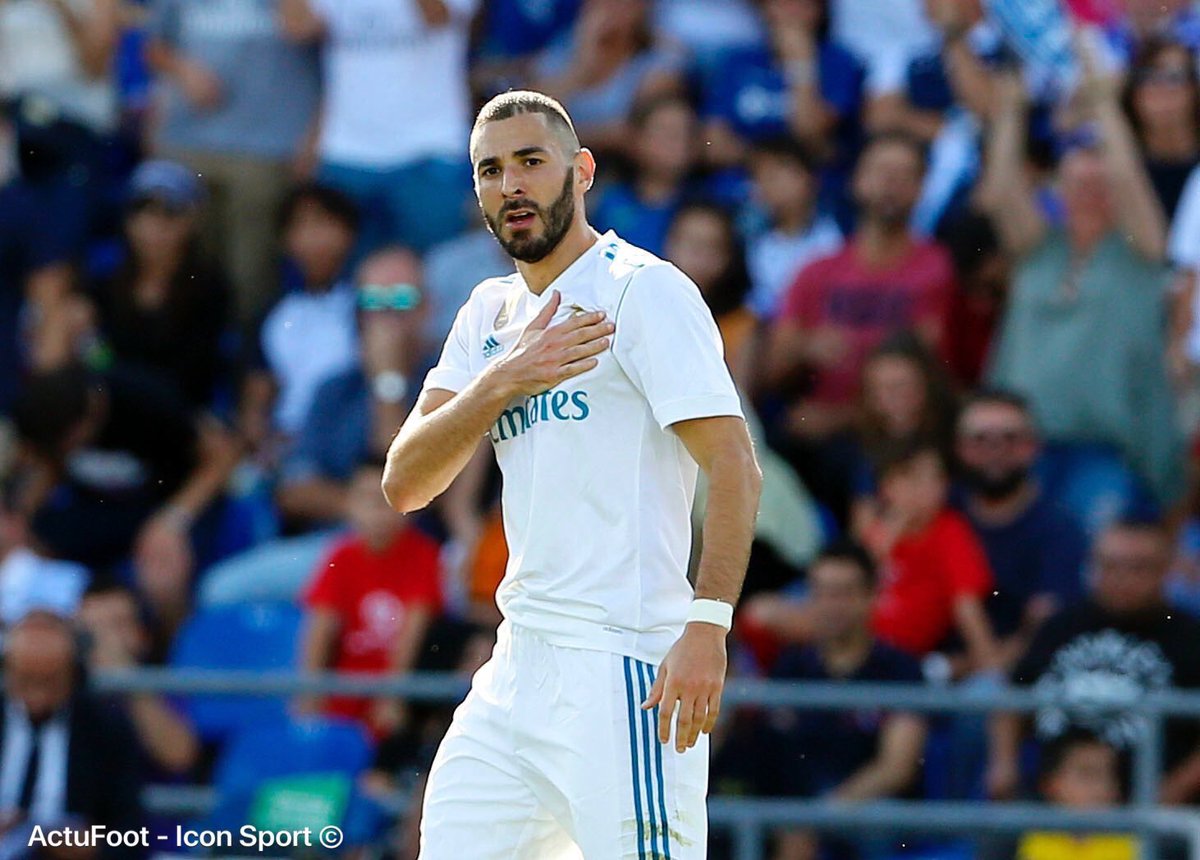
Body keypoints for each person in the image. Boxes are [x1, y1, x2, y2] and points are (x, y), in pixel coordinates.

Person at [384, 90, 762, 858]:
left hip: (624, 664)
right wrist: (502, 381)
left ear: (582, 171)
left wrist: (709, 624)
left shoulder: (641, 288)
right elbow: (405, 483)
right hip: (514, 667)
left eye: (531, 161)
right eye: (491, 170)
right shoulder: (486, 315)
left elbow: (733, 464)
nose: (511, 185)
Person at [982, 59, 1182, 513]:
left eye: (1100, 183)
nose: (1090, 191)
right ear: (1058, 189)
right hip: (1021, 447)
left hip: (1105, 451)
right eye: (1078, 182)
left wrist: (1104, 104)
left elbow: (1128, 174)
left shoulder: (1140, 253)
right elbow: (1000, 192)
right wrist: (1010, 110)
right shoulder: (1038, 250)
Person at [763, 132, 956, 521]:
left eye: (904, 175)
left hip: (892, 435)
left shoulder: (937, 269)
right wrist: (805, 349)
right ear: (857, 180)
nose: (890, 184)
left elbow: (932, 378)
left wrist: (837, 418)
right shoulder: (815, 272)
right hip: (814, 438)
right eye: (881, 171)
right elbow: (771, 371)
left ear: (921, 189)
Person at [13, 363, 240, 634]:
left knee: (162, 575)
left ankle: (173, 647)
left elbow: (223, 455)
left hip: (169, 503)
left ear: (86, 422)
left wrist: (172, 520)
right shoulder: (48, 420)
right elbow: (45, 472)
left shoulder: (144, 400)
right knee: (27, 553)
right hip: (100, 508)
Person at [988, 519, 1200, 804]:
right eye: (1110, 566)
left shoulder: (1190, 638)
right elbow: (1012, 698)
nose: (1123, 578)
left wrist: (1172, 792)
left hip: (1152, 806)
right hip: (1054, 804)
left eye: (1138, 567)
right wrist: (1003, 764)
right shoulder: (1059, 627)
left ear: (1166, 569)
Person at [144, 0, 320, 325]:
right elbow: (154, 47)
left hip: (268, 148)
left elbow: (310, 31)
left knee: (250, 272)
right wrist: (184, 69)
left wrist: (311, 142)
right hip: (188, 142)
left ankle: (250, 353)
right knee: (185, 266)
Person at [770, 541, 928, 860]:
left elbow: (896, 768)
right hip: (797, 812)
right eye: (822, 592)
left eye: (844, 593)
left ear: (871, 596)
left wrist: (818, 819)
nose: (831, 605)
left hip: (869, 812)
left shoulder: (900, 669)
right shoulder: (790, 667)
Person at [278, 0, 476, 254]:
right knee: (351, 272)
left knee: (434, 265)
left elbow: (437, 16)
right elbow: (296, 25)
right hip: (346, 152)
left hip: (429, 151)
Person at [277, 247, 427, 529]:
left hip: (419, 543)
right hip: (336, 537)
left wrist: (388, 382)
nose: (386, 315)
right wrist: (359, 507)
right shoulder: (335, 388)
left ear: (426, 308)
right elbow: (294, 488)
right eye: (373, 301)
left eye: (402, 299)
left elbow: (408, 479)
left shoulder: (450, 381)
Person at [299, 460, 442, 739]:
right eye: (368, 499)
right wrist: (309, 694)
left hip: (396, 692)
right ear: (349, 504)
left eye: (388, 499)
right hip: (345, 691)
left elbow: (414, 630)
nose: (379, 511)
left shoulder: (424, 556)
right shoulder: (340, 556)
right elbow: (319, 628)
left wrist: (392, 695)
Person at [955, 391, 1089, 669]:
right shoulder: (939, 512)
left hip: (1019, 676)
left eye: (1010, 439)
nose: (995, 450)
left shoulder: (1059, 529)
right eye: (980, 439)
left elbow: (1044, 630)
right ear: (960, 448)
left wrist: (979, 669)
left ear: (1033, 448)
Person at [86, 159, 233, 409]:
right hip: (112, 407)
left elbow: (194, 377)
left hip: (178, 413)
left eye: (169, 212)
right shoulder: (105, 280)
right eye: (142, 210)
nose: (153, 225)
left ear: (192, 220)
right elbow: (98, 358)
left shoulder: (209, 289)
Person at [0, 612, 143, 852]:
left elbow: (129, 832)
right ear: (8, 673)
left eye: (50, 681)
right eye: (27, 680)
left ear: (73, 675)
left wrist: (91, 846)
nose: (38, 698)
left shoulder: (105, 729)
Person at [239, 182, 360, 453]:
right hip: (286, 445)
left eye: (324, 224)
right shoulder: (274, 314)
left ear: (349, 233)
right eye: (300, 226)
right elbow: (255, 406)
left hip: (349, 440)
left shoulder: (369, 302)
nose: (313, 238)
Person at [77, 580, 199, 776]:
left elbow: (179, 757)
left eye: (117, 625)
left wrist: (126, 676)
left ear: (143, 636)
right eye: (90, 628)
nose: (104, 639)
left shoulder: (166, 687)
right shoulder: (65, 691)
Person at [743, 136, 844, 323]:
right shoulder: (753, 243)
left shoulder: (841, 228)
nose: (772, 184)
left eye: (779, 173)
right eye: (762, 177)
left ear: (810, 177)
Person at [590, 93, 699, 257]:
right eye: (665, 132)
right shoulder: (608, 201)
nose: (677, 141)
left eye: (685, 133)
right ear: (636, 139)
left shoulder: (707, 207)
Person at [1011, 730, 1136, 860]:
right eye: (1087, 774)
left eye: (1110, 775)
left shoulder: (1134, 843)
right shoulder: (1031, 842)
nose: (1104, 787)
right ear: (1051, 784)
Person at [1120, 38, 1200, 220]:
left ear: (1194, 89)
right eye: (1148, 76)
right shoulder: (1117, 166)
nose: (1162, 88)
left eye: (1174, 76)